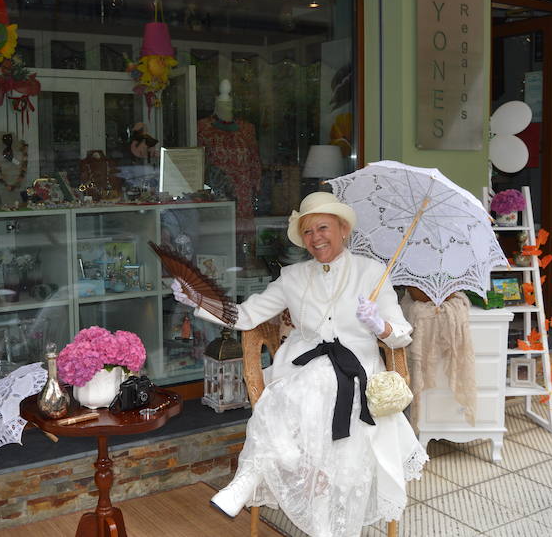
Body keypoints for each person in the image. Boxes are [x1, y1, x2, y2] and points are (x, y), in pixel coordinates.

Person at [172, 191, 427, 537]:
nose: (315, 238)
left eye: (323, 228)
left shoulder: (372, 272)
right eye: (308, 232)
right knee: (315, 377)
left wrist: (378, 324)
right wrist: (198, 300)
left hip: (358, 369)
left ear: (343, 229)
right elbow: (247, 314)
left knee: (318, 384)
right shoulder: (292, 276)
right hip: (301, 367)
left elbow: (401, 333)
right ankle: (305, 507)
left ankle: (254, 477)